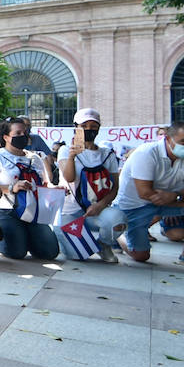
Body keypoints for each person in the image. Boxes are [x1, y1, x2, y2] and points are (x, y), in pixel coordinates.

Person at [99, 121, 184, 270]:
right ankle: (119, 236)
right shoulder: (146, 153)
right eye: (182, 142)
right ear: (167, 138)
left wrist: (174, 195)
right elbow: (146, 193)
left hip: (166, 201)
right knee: (141, 256)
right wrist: (178, 200)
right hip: (134, 207)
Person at [0, 117, 61, 261]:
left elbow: (45, 183)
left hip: (33, 211)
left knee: (50, 252)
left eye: (25, 132)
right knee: (16, 252)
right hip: (7, 211)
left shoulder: (35, 158)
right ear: (6, 137)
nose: (23, 136)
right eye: (18, 133)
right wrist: (11, 187)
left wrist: (56, 189)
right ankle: (10, 237)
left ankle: (26, 236)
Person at [56, 107, 121, 263]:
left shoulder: (107, 154)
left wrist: (100, 205)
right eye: (84, 126)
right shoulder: (65, 150)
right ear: (76, 127)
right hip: (70, 210)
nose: (89, 130)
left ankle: (104, 245)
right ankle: (64, 239)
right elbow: (69, 178)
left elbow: (115, 187)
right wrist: (72, 157)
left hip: (96, 209)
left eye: (93, 126)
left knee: (118, 220)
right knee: (79, 256)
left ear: (99, 129)